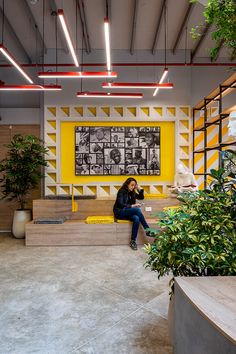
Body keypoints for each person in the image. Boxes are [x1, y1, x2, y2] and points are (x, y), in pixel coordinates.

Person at [113, 177, 155, 250]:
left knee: (136, 218)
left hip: (127, 211)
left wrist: (140, 189)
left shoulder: (132, 192)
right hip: (119, 212)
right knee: (137, 210)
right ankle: (148, 230)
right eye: (132, 185)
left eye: (134, 185)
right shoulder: (122, 191)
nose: (133, 187)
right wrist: (132, 206)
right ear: (127, 184)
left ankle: (133, 241)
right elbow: (120, 204)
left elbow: (141, 197)